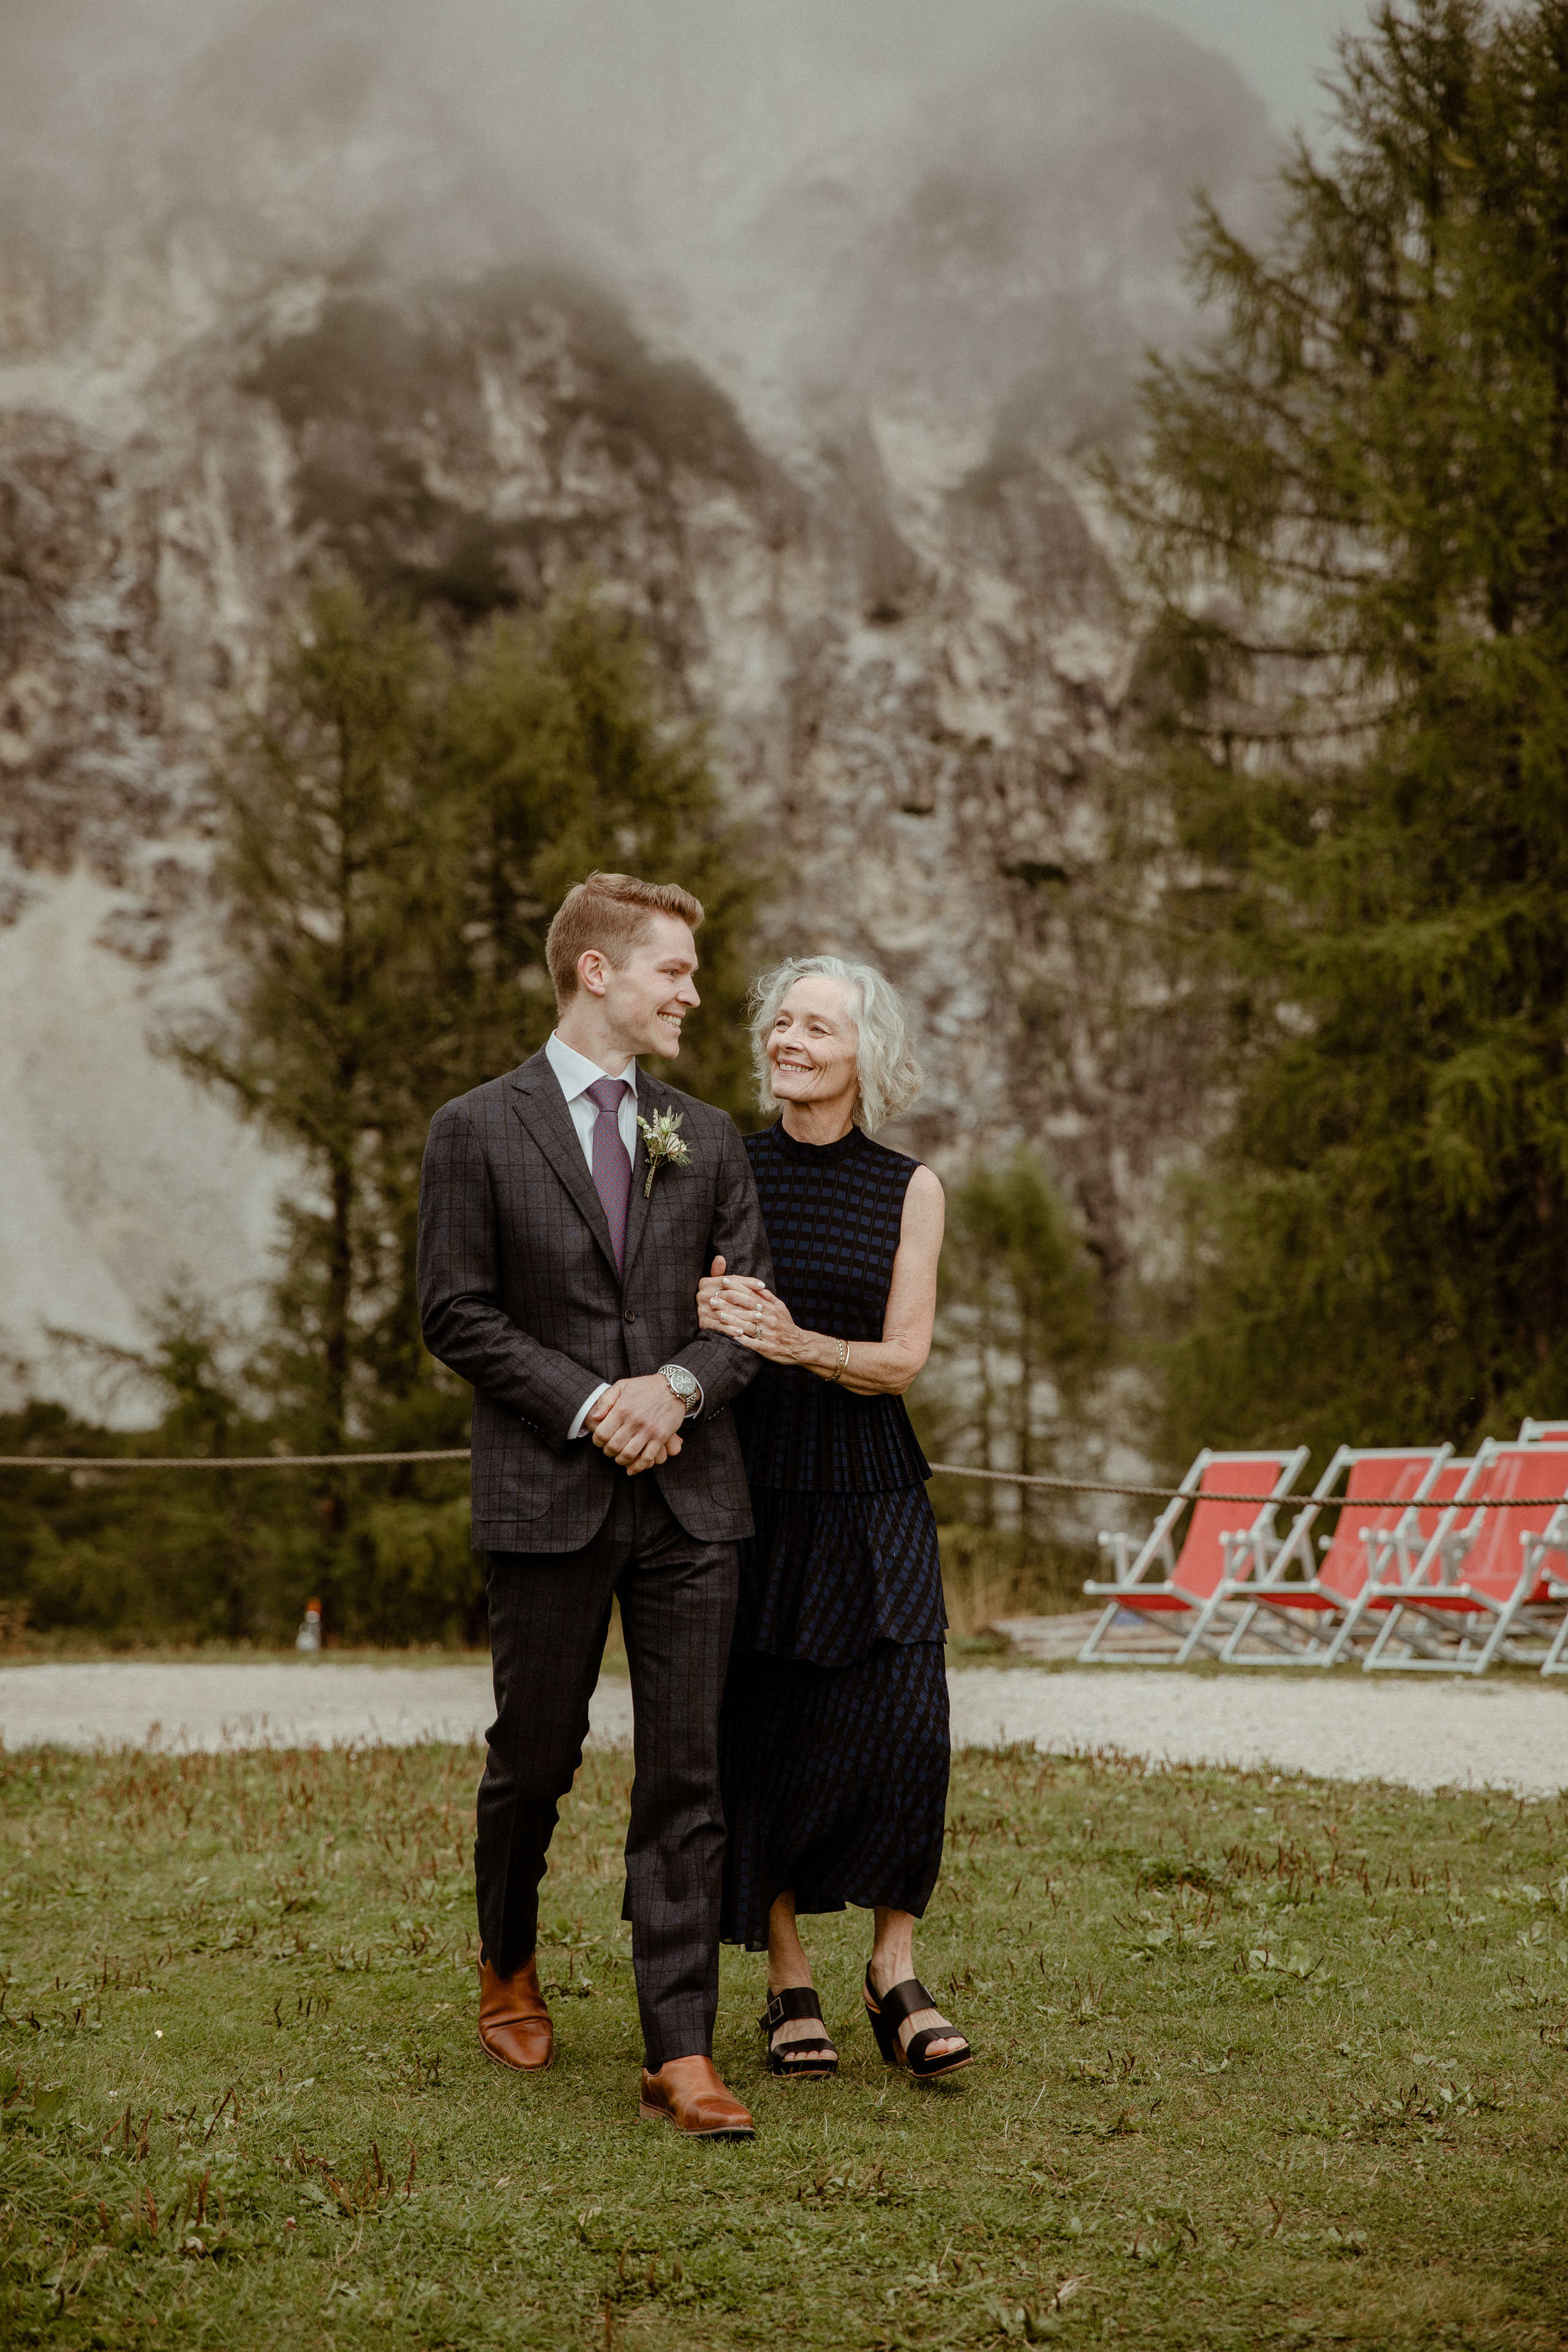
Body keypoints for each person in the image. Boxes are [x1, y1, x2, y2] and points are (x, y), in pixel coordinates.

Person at [417, 872, 772, 2139]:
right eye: (673, 968)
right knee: (536, 1756)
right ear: (596, 973)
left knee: (686, 1775)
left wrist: (672, 1389)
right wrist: (592, 1405)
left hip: (691, 1507)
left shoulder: (710, 1135)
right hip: (546, 1496)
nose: (692, 991)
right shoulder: (475, 1128)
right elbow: (455, 1313)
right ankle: (504, 1959)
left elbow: (745, 1319)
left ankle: (679, 2048)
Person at [699, 955, 972, 2084]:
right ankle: (787, 1983)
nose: (789, 1040)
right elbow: (695, 1300)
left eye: (818, 1026)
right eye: (781, 1021)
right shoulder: (724, 1166)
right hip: (753, 1486)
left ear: (868, 1055)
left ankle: (893, 1971)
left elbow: (903, 1359)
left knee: (911, 1725)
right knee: (764, 1731)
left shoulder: (912, 1186)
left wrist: (800, 1344)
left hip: (872, 1487)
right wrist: (711, 1310)